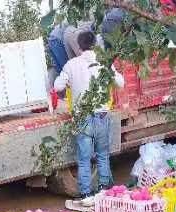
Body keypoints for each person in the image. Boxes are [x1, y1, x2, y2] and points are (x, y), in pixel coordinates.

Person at [53, 31, 125, 200]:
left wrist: (70, 82)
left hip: (82, 116)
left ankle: (85, 194)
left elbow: (57, 87)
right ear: (95, 44)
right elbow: (120, 83)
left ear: (78, 46)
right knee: (102, 154)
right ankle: (104, 190)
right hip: (101, 115)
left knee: (84, 158)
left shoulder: (71, 64)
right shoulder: (104, 63)